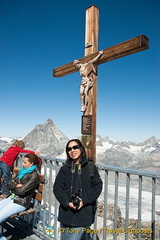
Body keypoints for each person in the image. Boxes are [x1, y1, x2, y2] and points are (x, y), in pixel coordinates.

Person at [53, 139, 102, 240]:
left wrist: (84, 200)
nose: (72, 150)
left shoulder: (90, 167)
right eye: (69, 149)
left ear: (81, 149)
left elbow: (97, 186)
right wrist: (67, 202)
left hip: (83, 214)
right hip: (66, 214)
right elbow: (57, 188)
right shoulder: (64, 169)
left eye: (75, 147)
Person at [0, 153, 42, 240]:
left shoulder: (34, 177)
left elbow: (21, 191)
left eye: (25, 163)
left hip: (21, 202)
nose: (22, 164)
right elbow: (8, 183)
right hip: (12, 198)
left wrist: (14, 186)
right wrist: (16, 185)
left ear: (32, 164)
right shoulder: (23, 171)